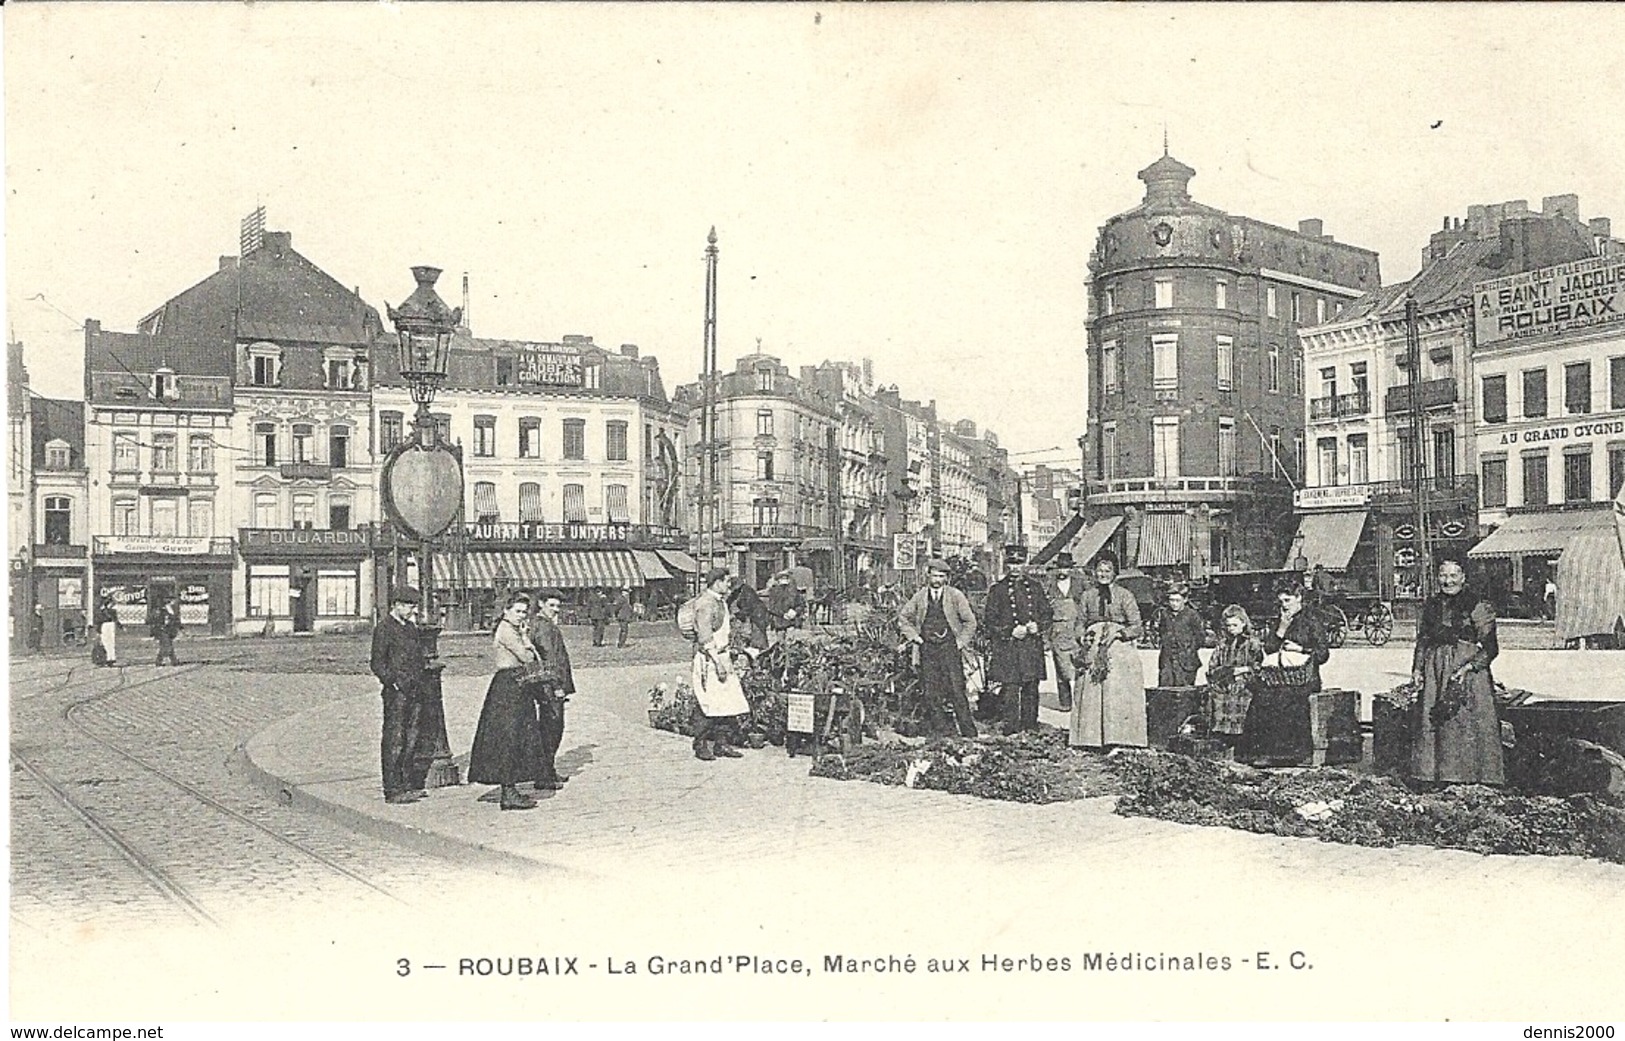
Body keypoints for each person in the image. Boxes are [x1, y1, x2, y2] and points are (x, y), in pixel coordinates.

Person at [1409, 557, 1504, 787]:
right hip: (1435, 670)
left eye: (1453, 576)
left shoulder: (1477, 605)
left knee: (1465, 721)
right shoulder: (1431, 604)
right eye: (1443, 575)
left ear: (1463, 577)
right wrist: (1417, 668)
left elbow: (1491, 648)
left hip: (1468, 671)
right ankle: (1436, 776)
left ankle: (1471, 777)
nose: (1448, 581)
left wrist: (1469, 667)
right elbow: (1423, 639)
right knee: (1434, 720)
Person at [466, 592, 548, 811]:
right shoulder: (506, 630)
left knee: (518, 734)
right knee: (508, 736)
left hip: (515, 685)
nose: (522, 616)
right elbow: (528, 657)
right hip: (508, 686)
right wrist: (527, 641)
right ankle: (508, 792)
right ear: (506, 611)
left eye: (524, 612)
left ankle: (511, 788)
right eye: (518, 611)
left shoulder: (512, 629)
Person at [1239, 577, 1330, 766]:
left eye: (1288, 600)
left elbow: (1323, 654)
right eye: (1281, 601)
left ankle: (1290, 754)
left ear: (1299, 598)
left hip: (1305, 677)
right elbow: (1270, 649)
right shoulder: (1280, 620)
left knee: (1285, 699)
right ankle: (1261, 752)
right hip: (1279, 676)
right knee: (1260, 695)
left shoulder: (1312, 619)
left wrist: (1301, 649)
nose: (1284, 605)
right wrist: (1282, 628)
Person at [1071, 551, 1147, 749]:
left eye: (1107, 571)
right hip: (1093, 647)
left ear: (1114, 573)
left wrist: (1119, 634)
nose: (1103, 574)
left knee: (1116, 691)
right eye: (1099, 570)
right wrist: (1083, 637)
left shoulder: (1125, 595)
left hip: (1118, 649)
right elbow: (1079, 623)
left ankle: (1119, 736)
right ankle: (1089, 738)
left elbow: (1137, 626)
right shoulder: (1087, 596)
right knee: (1091, 690)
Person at [897, 558, 979, 738]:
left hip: (950, 648)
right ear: (928, 576)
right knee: (931, 691)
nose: (936, 579)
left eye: (941, 576)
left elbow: (970, 622)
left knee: (957, 690)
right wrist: (915, 637)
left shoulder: (955, 596)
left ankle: (968, 732)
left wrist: (960, 642)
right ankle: (940, 731)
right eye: (934, 575)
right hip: (928, 649)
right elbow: (903, 618)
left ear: (946, 578)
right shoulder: (920, 596)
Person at [369, 586, 431, 805]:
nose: (412, 610)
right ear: (396, 604)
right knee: (395, 739)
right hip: (397, 693)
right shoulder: (384, 628)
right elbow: (377, 663)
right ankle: (393, 789)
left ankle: (408, 784)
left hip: (415, 690)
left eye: (413, 606)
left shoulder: (411, 628)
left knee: (412, 737)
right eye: (408, 606)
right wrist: (393, 682)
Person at [985, 560, 1053, 734]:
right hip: (1009, 647)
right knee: (1011, 688)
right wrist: (1009, 632)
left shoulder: (1035, 587)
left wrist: (1038, 625)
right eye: (1011, 564)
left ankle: (1030, 725)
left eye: (1019, 564)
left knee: (1031, 686)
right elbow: (990, 621)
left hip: (1031, 646)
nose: (1015, 568)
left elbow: (1047, 613)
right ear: (1006, 565)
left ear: (1024, 565)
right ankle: (1011, 727)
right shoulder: (997, 589)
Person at [690, 567, 750, 760]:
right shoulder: (705, 603)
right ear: (717, 582)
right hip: (710, 658)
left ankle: (721, 744)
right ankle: (700, 745)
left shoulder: (720, 601)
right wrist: (717, 662)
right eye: (726, 581)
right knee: (708, 703)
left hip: (723, 655)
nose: (728, 585)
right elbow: (705, 636)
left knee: (727, 702)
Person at [528, 588, 575, 790]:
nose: (556, 610)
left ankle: (548, 770)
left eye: (558, 606)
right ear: (541, 604)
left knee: (551, 728)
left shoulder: (542, 624)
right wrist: (557, 686)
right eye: (551, 605)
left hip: (549, 684)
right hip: (550, 686)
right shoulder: (544, 627)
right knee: (552, 729)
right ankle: (544, 775)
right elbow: (549, 659)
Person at [1205, 604, 1262, 751]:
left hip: (1245, 684)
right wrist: (1224, 673)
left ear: (1243, 623)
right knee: (1217, 695)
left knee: (1241, 696)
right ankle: (1222, 740)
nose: (1231, 628)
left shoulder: (1252, 644)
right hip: (1224, 683)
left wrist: (1243, 670)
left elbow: (1260, 667)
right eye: (1228, 625)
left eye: (1235, 625)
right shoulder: (1223, 644)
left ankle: (1241, 743)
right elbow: (1212, 666)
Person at [1045, 554, 1085, 712]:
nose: (1063, 570)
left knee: (1078, 665)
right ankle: (1065, 702)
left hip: (1076, 628)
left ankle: (1080, 700)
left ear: (1071, 569)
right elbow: (1045, 610)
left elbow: (1086, 604)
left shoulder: (1079, 584)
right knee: (1061, 668)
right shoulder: (1050, 585)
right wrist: (1047, 636)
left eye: (1066, 567)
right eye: (1060, 567)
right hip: (1058, 630)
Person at [1157, 582, 1205, 687]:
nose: (1174, 604)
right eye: (1171, 600)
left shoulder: (1192, 615)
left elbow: (1200, 637)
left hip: (1186, 662)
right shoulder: (1165, 614)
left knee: (1184, 694)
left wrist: (1188, 648)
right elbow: (1162, 632)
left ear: (1185, 600)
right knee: (1165, 692)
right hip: (1167, 661)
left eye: (1177, 601)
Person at [728, 581, 770, 651]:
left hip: (758, 616)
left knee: (758, 638)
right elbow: (731, 598)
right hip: (755, 616)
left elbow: (748, 608)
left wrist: (735, 615)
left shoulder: (747, 592)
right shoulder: (740, 591)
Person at [766, 571, 803, 647]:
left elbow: (801, 605)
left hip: (792, 622)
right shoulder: (774, 592)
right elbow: (771, 607)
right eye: (782, 578)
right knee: (780, 645)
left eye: (786, 578)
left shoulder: (794, 592)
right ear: (778, 580)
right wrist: (782, 614)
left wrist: (795, 612)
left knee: (791, 644)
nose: (784, 580)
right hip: (779, 622)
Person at [153, 597, 182, 666]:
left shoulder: (172, 610)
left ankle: (161, 661)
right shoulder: (162, 611)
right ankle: (172, 661)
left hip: (169, 630)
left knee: (166, 646)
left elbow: (175, 620)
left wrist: (179, 627)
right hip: (162, 630)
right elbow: (158, 621)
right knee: (167, 646)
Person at [93, 592, 119, 667]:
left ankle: (107, 658)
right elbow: (115, 619)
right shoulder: (112, 610)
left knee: (106, 642)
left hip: (105, 625)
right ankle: (111, 657)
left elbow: (98, 619)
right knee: (110, 642)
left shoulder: (100, 610)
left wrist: (98, 629)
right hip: (110, 625)